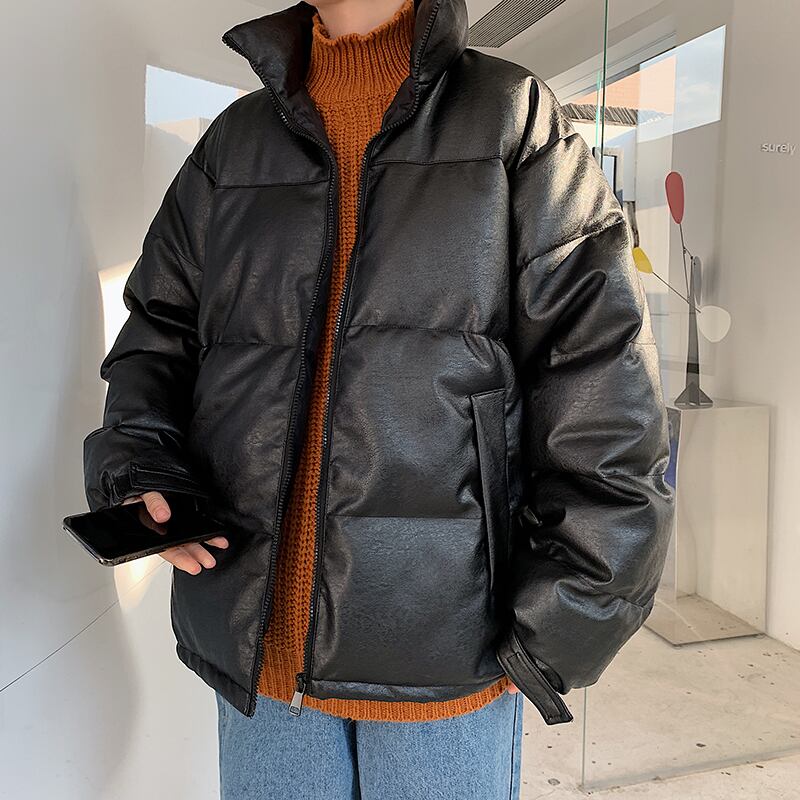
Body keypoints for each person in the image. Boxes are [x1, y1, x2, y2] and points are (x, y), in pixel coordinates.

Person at [82, 0, 674, 797]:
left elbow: (600, 377)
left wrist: (566, 616)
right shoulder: (236, 141)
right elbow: (159, 333)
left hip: (448, 646)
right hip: (261, 640)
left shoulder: (510, 117)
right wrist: (144, 469)